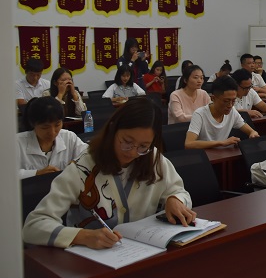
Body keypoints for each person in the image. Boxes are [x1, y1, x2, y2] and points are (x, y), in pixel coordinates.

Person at [22, 98, 195, 249]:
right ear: (113, 130)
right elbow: (33, 226)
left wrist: (175, 200)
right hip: (92, 262)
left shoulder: (153, 159)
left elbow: (179, 191)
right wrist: (82, 236)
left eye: (143, 146)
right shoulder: (83, 167)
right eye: (127, 142)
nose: (133, 152)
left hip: (145, 254)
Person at [17, 97, 88, 179]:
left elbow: (89, 155)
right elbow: (6, 174)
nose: (52, 132)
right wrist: (36, 173)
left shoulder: (69, 137)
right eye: (45, 127)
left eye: (57, 125)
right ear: (33, 124)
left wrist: (76, 164)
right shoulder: (16, 142)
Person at [185, 76, 260, 149]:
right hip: (205, 155)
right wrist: (221, 143)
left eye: (233, 101)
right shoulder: (200, 114)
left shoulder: (232, 111)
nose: (230, 105)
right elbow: (189, 144)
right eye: (226, 101)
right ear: (213, 98)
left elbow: (252, 131)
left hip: (222, 154)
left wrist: (253, 134)